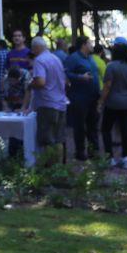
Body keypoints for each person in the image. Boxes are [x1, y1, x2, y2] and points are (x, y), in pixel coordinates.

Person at [26, 37, 69, 165]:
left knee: (47, 140)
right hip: (61, 103)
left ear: (36, 48)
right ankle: (60, 169)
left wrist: (30, 84)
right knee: (58, 139)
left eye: (33, 49)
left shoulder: (39, 60)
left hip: (47, 103)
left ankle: (49, 171)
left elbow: (40, 82)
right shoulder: (56, 59)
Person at [98, 43, 127, 168]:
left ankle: (110, 158)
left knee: (106, 129)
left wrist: (101, 102)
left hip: (112, 103)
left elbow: (107, 86)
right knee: (125, 131)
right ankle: (126, 158)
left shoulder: (111, 67)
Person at [64, 35, 101, 161]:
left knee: (93, 125)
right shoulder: (73, 58)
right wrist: (80, 77)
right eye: (90, 43)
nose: (92, 45)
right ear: (84, 45)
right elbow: (65, 73)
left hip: (93, 97)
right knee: (80, 126)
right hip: (79, 98)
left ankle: (93, 151)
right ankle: (80, 152)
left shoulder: (90, 57)